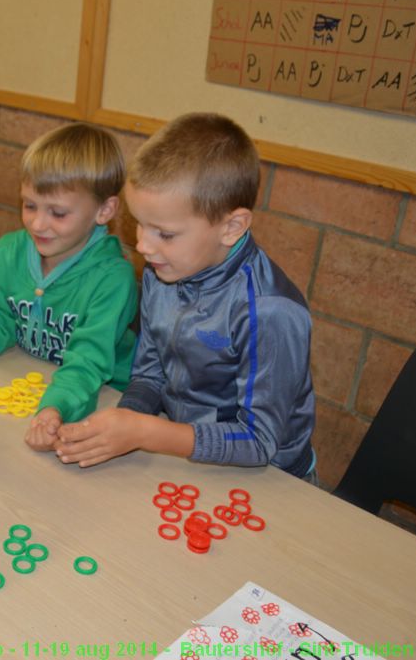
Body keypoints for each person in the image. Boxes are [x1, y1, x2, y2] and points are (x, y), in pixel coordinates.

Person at [56, 112, 317, 481]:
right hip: (186, 455)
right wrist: (126, 420)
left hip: (272, 480)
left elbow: (260, 442)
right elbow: (150, 372)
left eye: (164, 233)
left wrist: (145, 432)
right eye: (139, 224)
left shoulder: (271, 312)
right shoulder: (162, 271)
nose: (143, 246)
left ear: (231, 227)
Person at [0, 123, 138, 451]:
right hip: (34, 382)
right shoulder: (6, 254)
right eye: (29, 205)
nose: (37, 224)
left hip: (102, 398)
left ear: (104, 210)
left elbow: (88, 363)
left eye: (58, 213)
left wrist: (55, 407)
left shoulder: (113, 280)